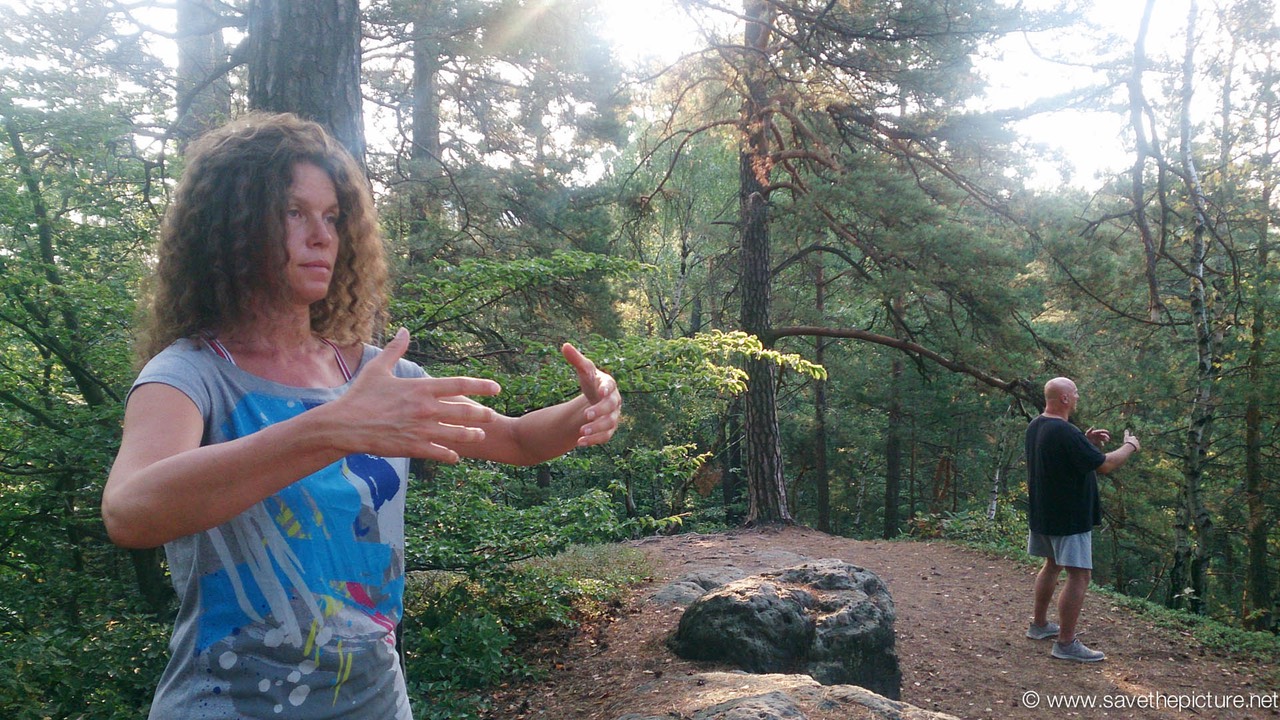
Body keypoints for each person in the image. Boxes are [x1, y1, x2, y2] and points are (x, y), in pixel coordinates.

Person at [100, 112, 622, 719]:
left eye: (331, 216)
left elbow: (516, 440)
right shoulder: (189, 374)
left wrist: (587, 406)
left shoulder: (375, 376)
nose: (321, 236)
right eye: (293, 212)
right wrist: (329, 429)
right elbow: (130, 511)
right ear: (231, 228)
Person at [1023, 377, 1138, 663]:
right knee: (1080, 575)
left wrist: (1084, 443)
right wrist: (1130, 446)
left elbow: (1060, 458)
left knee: (1052, 565)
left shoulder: (1036, 425)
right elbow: (1106, 465)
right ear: (1064, 398)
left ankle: (1039, 625)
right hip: (1069, 517)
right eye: (1074, 393)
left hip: (1044, 512)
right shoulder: (1065, 431)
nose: (1077, 397)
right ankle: (1065, 643)